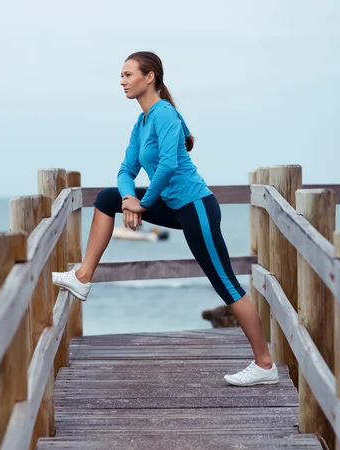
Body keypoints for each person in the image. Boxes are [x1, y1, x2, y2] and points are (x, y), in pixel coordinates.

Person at [52, 51, 278, 387]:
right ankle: (83, 276)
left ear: (150, 77)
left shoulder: (165, 115)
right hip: (172, 204)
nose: (122, 81)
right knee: (106, 199)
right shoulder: (141, 122)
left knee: (225, 284)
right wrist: (129, 199)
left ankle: (264, 364)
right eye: (121, 75)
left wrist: (143, 205)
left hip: (196, 206)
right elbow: (126, 169)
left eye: (128, 75)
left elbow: (170, 165)